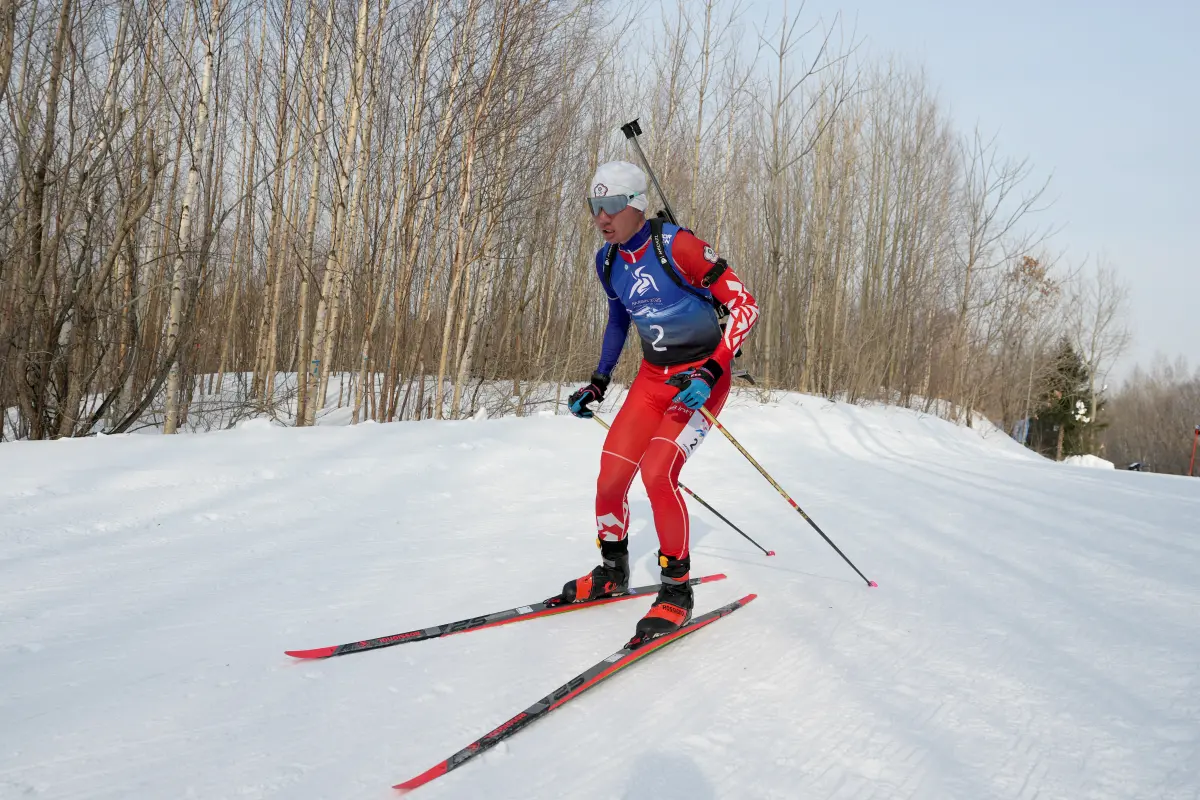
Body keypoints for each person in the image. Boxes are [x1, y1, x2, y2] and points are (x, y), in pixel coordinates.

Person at [554, 160, 760, 643]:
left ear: (635, 206)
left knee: (657, 474)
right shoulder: (607, 262)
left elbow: (746, 304)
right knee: (610, 479)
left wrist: (712, 372)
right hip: (651, 380)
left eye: (609, 207)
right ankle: (612, 571)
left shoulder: (676, 245)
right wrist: (599, 382)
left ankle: (676, 591)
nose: (600, 217)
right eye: (593, 207)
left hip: (699, 378)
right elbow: (619, 322)